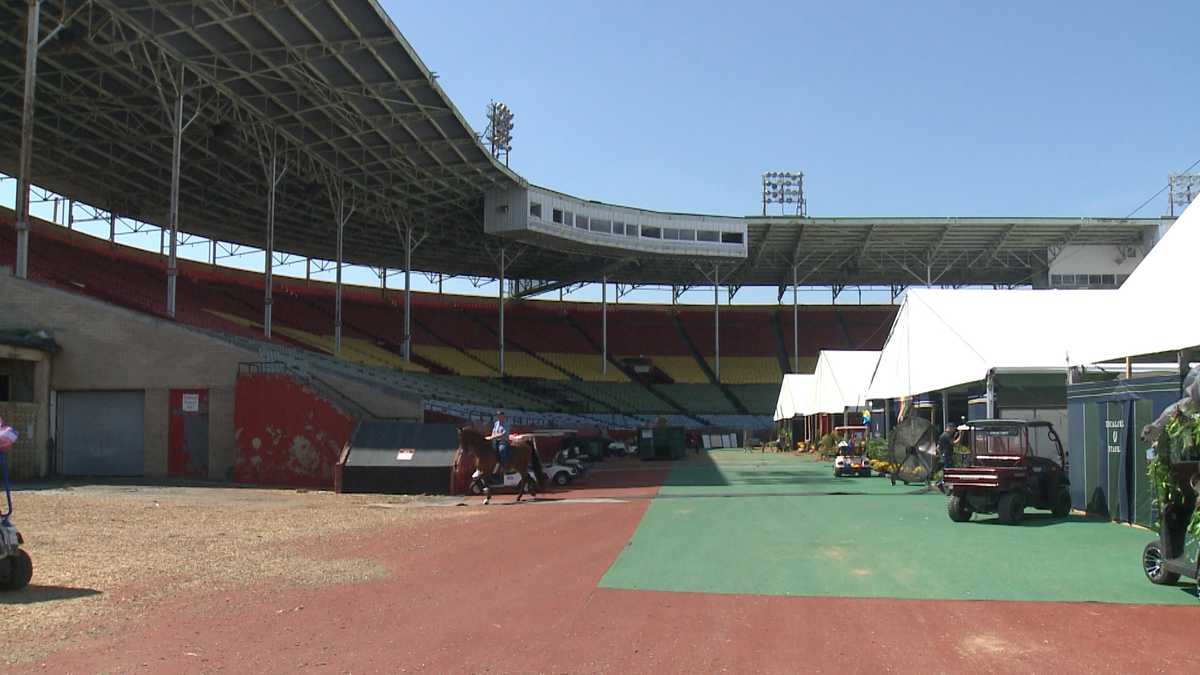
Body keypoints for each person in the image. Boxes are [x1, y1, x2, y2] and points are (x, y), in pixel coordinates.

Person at [936, 423, 963, 491]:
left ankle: (942, 483)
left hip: (945, 454)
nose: (954, 430)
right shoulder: (947, 435)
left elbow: (938, 447)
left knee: (947, 469)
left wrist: (940, 454)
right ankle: (941, 482)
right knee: (949, 470)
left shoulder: (943, 435)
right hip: (947, 455)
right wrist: (961, 435)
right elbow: (955, 443)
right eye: (953, 428)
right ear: (950, 428)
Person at [486, 410, 509, 474]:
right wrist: (491, 437)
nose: (499, 417)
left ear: (503, 417)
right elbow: (493, 431)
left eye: (500, 416)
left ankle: (504, 467)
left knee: (502, 450)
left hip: (503, 441)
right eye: (498, 416)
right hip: (495, 441)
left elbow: (503, 434)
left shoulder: (506, 424)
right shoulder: (496, 423)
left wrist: (493, 437)